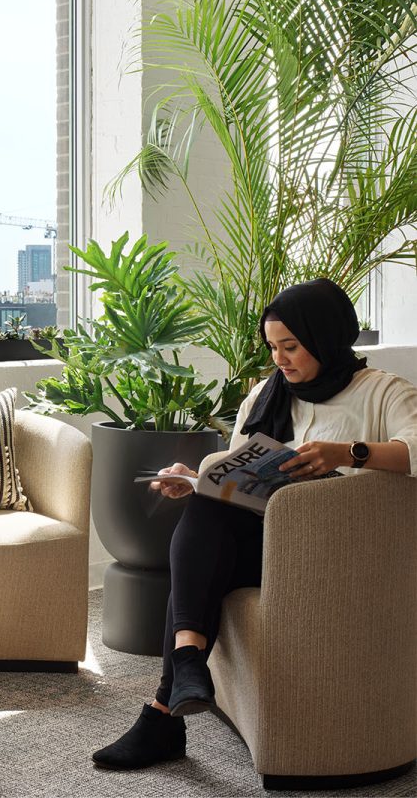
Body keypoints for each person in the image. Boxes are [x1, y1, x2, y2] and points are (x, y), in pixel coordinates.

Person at [92, 277, 417, 771]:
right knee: (206, 512)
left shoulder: (383, 392)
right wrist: (196, 477)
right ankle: (181, 677)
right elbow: (237, 461)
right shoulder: (268, 394)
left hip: (337, 555)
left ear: (326, 337)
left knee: (196, 564)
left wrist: (350, 452)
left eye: (291, 346)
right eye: (273, 348)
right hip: (267, 546)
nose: (280, 360)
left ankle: (167, 708)